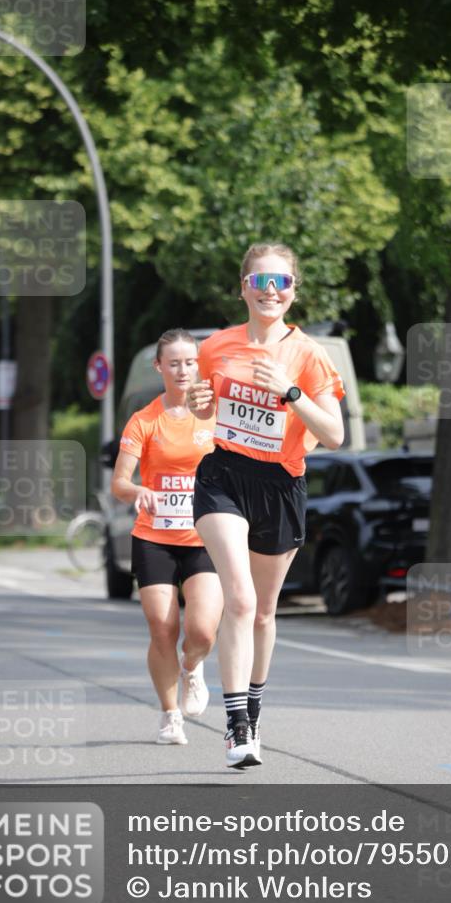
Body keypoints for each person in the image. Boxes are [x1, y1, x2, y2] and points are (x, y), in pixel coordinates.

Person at [189, 243, 345, 768]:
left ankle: (254, 704)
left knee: (263, 611)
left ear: (294, 291)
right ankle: (236, 728)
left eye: (281, 282)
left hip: (281, 485)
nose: (270, 290)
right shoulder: (216, 346)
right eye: (260, 282)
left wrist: (292, 394)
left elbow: (335, 435)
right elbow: (201, 402)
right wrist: (198, 404)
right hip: (223, 475)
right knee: (238, 599)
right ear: (244, 289)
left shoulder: (309, 354)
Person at [111, 329, 223, 745]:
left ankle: (192, 668)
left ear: (199, 365)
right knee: (162, 627)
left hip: (205, 537)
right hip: (154, 537)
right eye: (173, 363)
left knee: (203, 631)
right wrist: (138, 490)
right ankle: (169, 714)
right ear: (159, 367)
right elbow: (119, 482)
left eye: (190, 362)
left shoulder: (215, 415)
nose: (182, 370)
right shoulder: (143, 420)